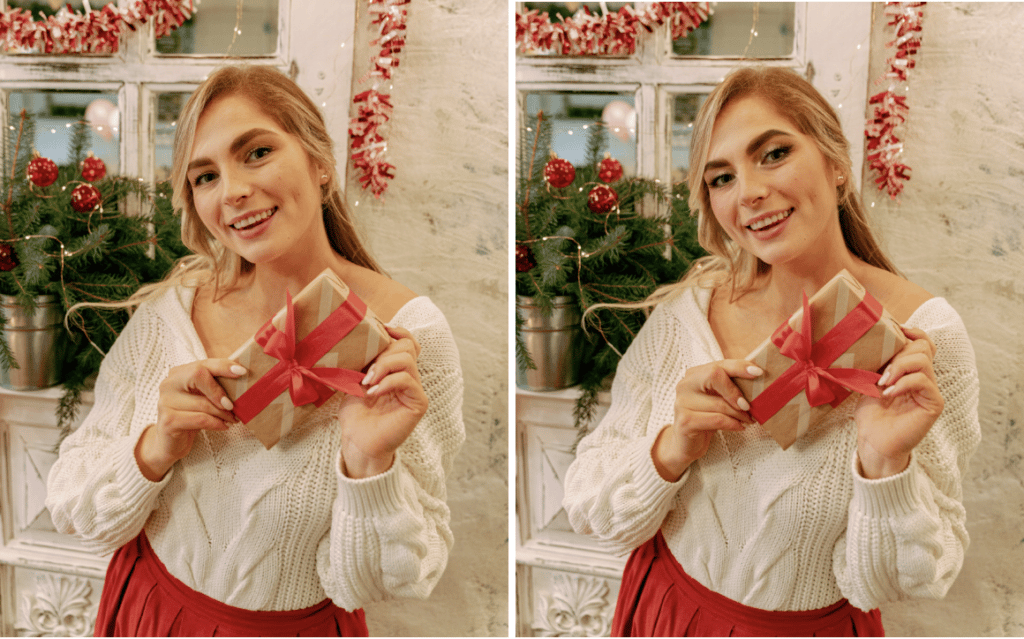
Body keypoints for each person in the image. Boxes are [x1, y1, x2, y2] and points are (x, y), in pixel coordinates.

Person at [46, 65, 464, 637]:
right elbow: (75, 509)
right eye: (205, 176)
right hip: (149, 611)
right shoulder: (173, 311)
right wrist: (154, 447)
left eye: (257, 152)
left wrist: (369, 465)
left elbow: (389, 582)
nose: (233, 191)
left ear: (320, 162)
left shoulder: (408, 337)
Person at [562, 66, 980, 637]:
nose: (750, 192)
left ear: (836, 163)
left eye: (774, 153)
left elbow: (908, 582)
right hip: (665, 611)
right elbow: (591, 509)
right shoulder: (690, 311)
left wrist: (885, 465)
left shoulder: (924, 338)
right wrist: (671, 447)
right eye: (721, 178)